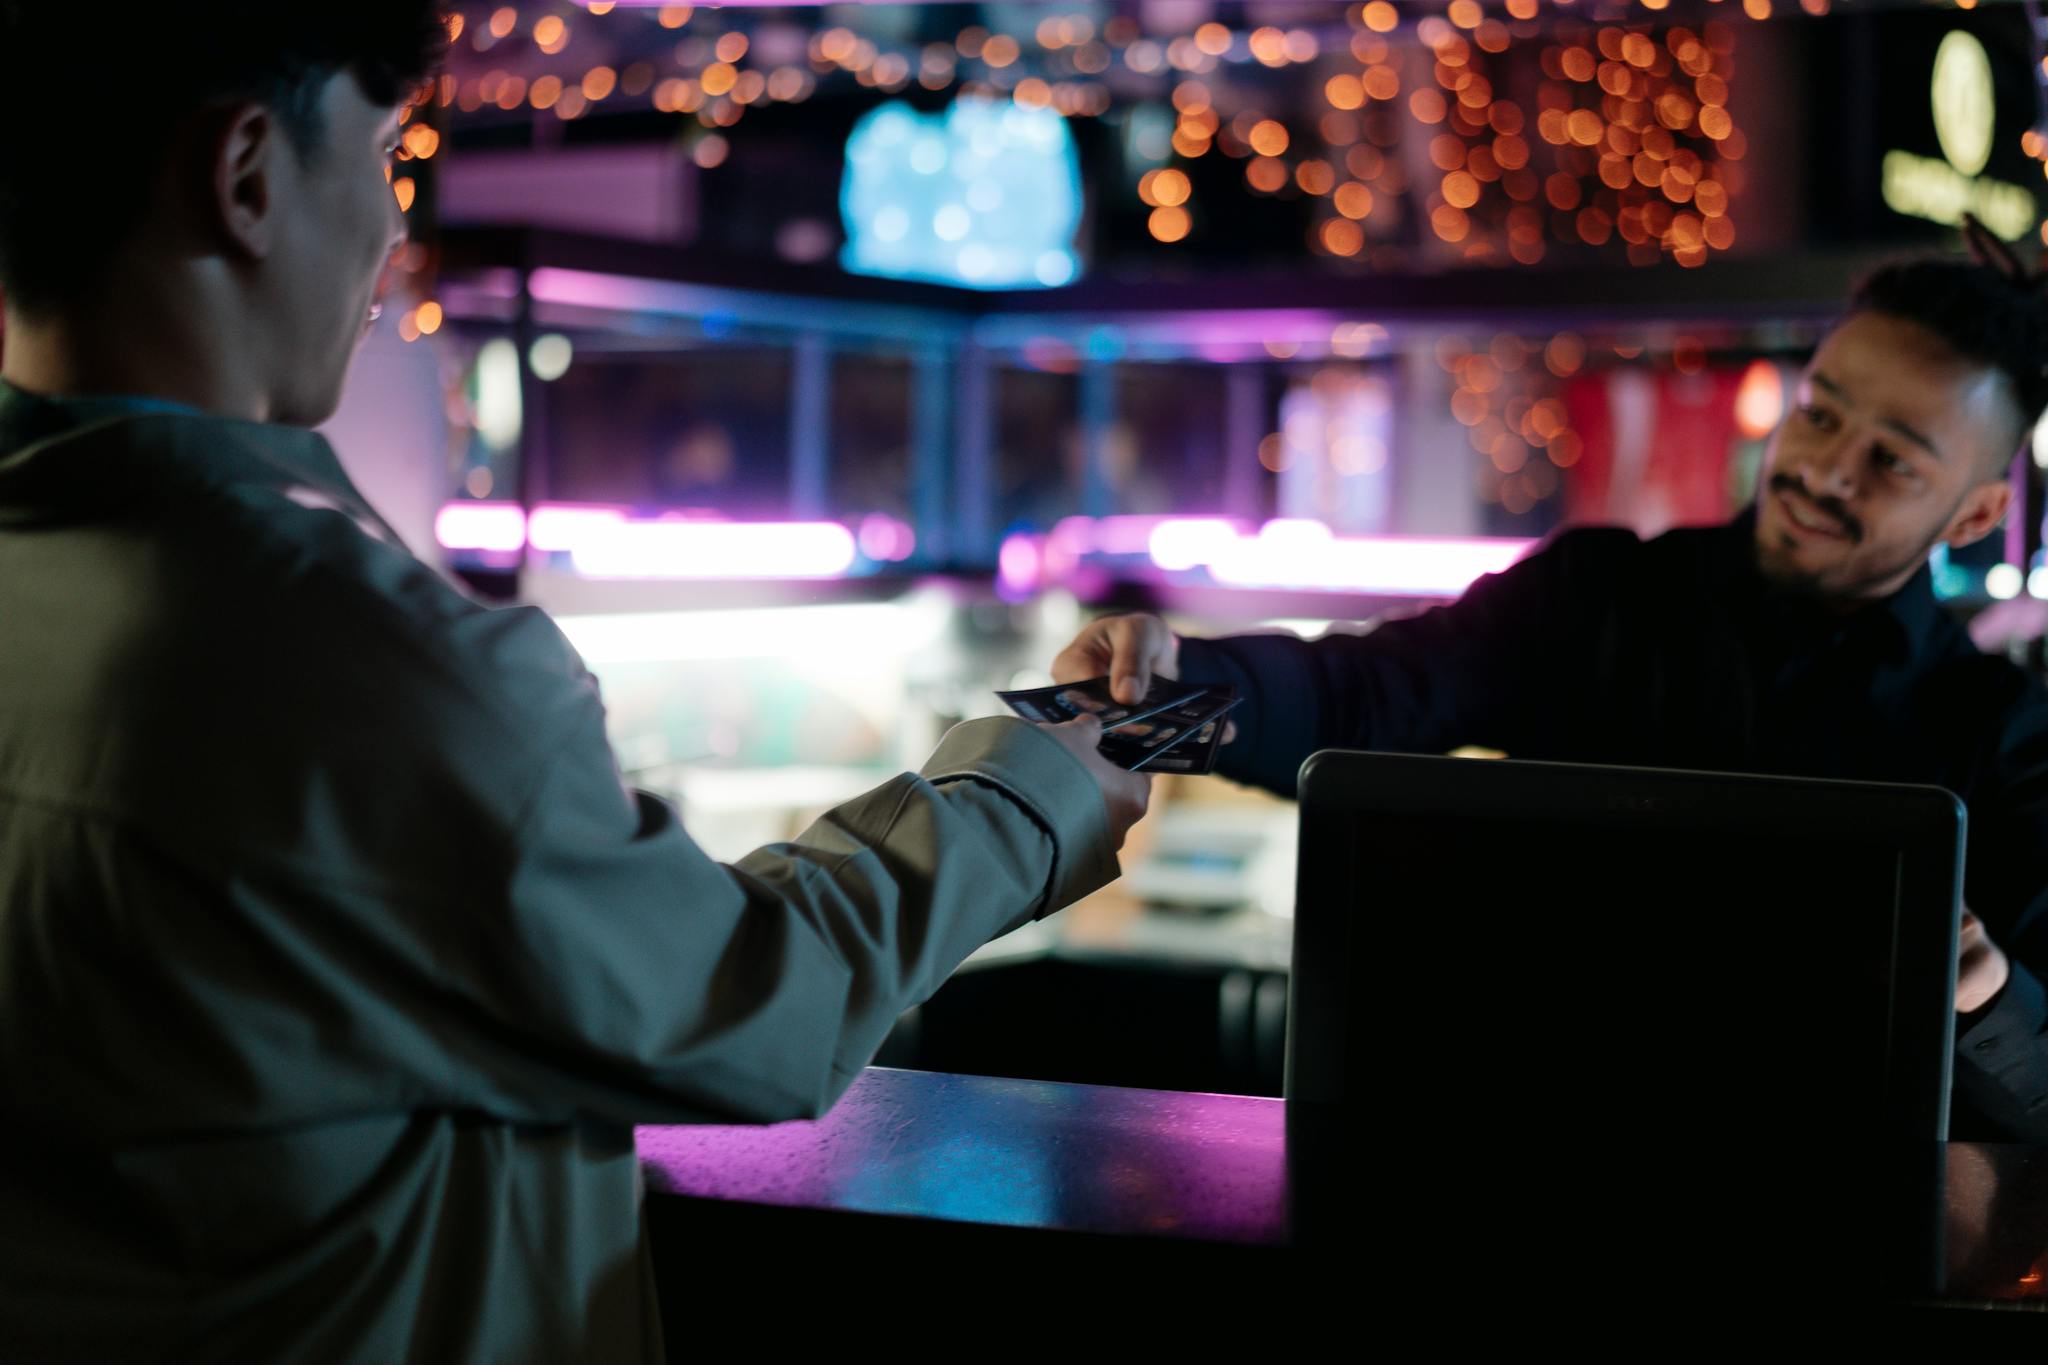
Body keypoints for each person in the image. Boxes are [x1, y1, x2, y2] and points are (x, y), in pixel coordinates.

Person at [0, 5, 1148, 1359]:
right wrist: (1030, 792)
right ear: (247, 176)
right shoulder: (377, 666)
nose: (391, 233)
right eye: (381, 155)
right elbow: (755, 1007)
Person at [1057, 242, 2048, 1142]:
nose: (1826, 471)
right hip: (1526, 1177)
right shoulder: (1596, 598)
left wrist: (1986, 991)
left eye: (1889, 461)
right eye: (1820, 412)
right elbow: (1367, 697)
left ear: (1975, 513)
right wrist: (1172, 686)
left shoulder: (2005, 738)